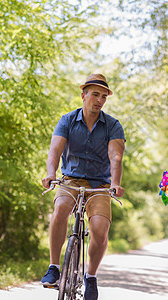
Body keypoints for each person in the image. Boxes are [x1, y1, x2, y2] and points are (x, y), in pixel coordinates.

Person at [40, 74, 125, 300]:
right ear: (83, 95)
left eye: (104, 96)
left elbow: (116, 158)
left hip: (100, 185)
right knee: (60, 211)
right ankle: (54, 268)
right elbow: (55, 151)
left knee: (99, 228)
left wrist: (115, 183)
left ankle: (91, 277)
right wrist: (51, 174)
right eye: (95, 94)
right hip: (71, 180)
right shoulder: (67, 121)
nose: (99, 100)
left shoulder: (113, 126)